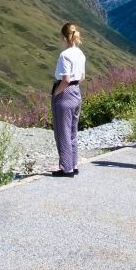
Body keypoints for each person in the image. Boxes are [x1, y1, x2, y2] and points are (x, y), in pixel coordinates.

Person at [51, 22, 85, 177]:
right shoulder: (80, 53)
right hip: (77, 91)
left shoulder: (64, 55)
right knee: (72, 131)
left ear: (64, 37)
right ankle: (74, 164)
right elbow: (82, 77)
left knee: (62, 131)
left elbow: (65, 79)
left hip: (65, 92)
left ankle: (66, 168)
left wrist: (56, 93)